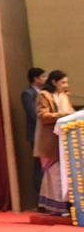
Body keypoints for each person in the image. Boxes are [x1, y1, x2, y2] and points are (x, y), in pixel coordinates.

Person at [34, 70, 73, 216]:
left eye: (66, 82)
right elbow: (43, 116)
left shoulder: (64, 96)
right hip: (49, 142)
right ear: (54, 82)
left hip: (63, 142)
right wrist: (63, 115)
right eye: (63, 82)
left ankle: (65, 206)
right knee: (54, 175)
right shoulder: (44, 95)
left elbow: (71, 114)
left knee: (64, 175)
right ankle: (56, 207)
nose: (66, 85)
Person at [22, 66, 46, 196]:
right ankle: (40, 195)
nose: (45, 79)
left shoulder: (44, 92)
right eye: (43, 76)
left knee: (47, 164)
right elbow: (33, 114)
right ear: (35, 79)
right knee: (39, 165)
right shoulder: (28, 93)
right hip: (36, 134)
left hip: (46, 133)